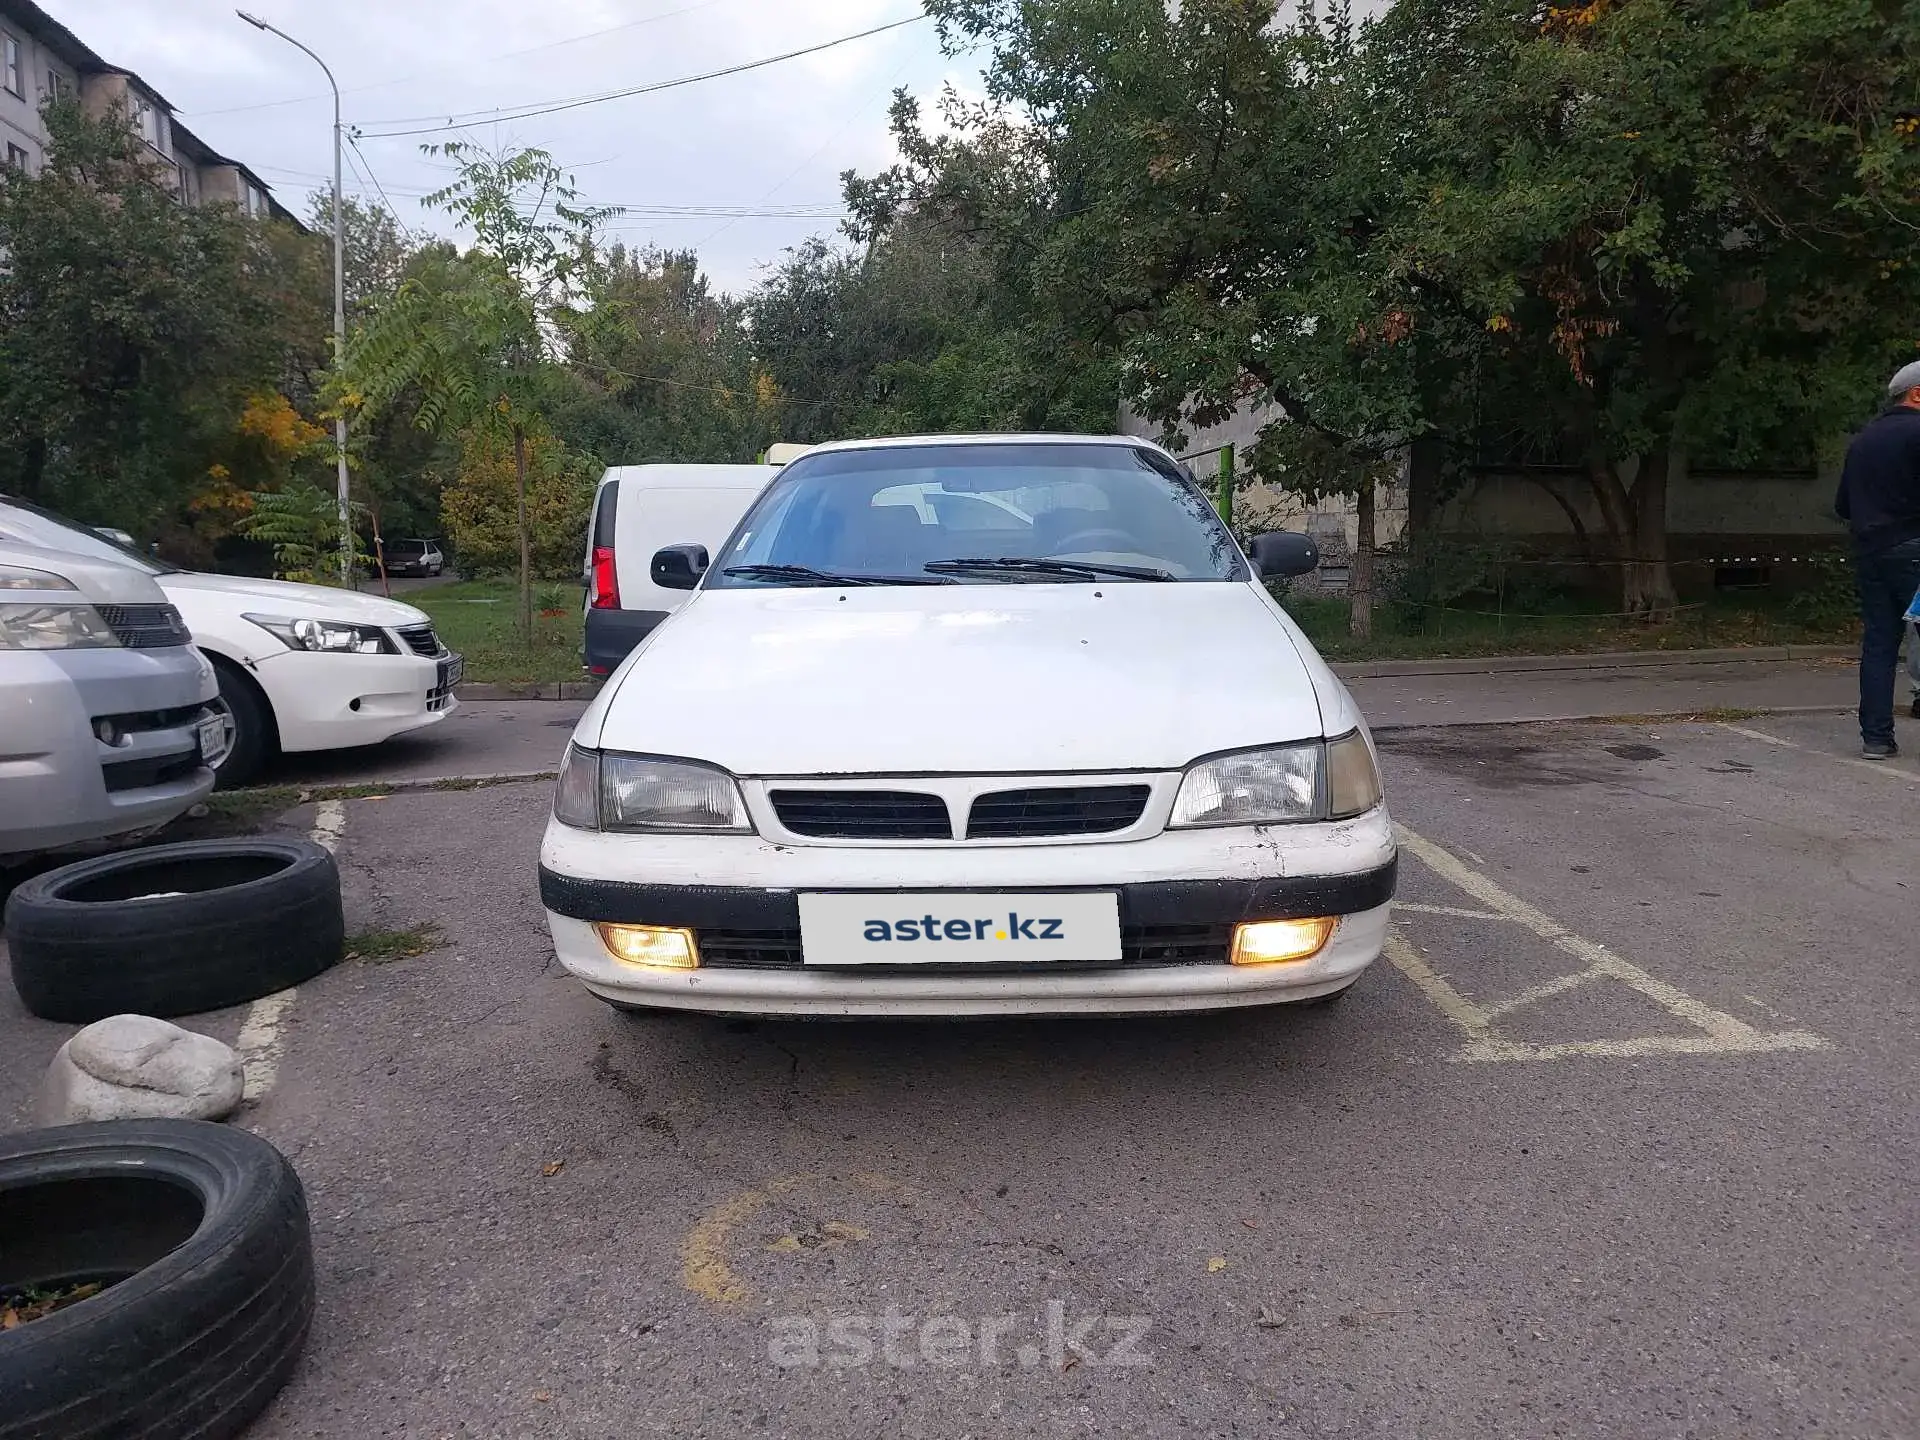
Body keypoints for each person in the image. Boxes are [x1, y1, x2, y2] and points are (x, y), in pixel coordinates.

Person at [1836, 359, 1920, 758]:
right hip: (1915, 549)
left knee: (1880, 645)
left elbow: (1843, 505)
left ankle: (1876, 738)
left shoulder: (1863, 440)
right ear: (1916, 393)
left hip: (1871, 551)